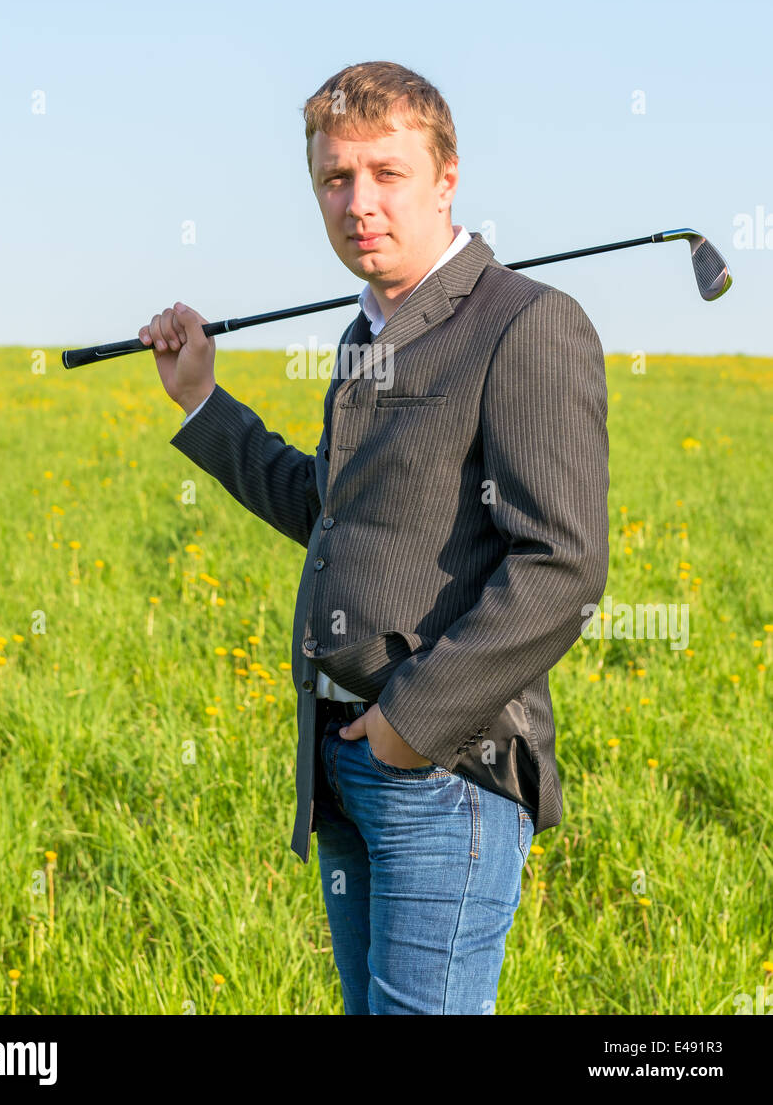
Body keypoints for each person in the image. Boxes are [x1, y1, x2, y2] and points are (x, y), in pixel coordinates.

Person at [139, 60, 610, 1014]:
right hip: (345, 761)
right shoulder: (366, 337)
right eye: (334, 178)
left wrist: (408, 727)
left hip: (447, 769)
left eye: (386, 174)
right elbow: (333, 513)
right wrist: (202, 403)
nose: (359, 202)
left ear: (445, 179)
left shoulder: (528, 325)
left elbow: (560, 566)